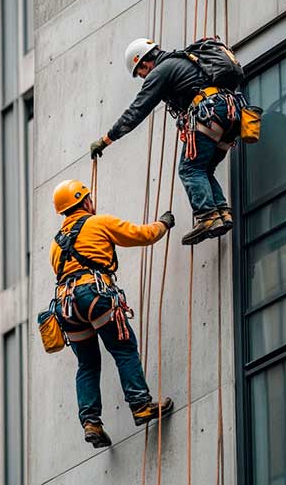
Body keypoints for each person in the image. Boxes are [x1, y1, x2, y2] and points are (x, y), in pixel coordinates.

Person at [50, 179, 174, 448]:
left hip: (66, 306)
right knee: (123, 348)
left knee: (88, 364)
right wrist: (163, 223)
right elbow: (142, 235)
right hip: (94, 294)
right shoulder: (98, 223)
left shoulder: (55, 244)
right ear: (84, 201)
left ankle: (91, 422)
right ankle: (141, 405)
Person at [90, 38, 244, 245]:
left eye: (141, 73)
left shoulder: (161, 71)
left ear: (144, 63)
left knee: (189, 169)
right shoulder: (183, 62)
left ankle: (208, 216)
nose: (143, 77)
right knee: (203, 169)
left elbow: (138, 110)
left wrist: (106, 140)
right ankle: (221, 214)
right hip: (231, 116)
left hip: (210, 113)